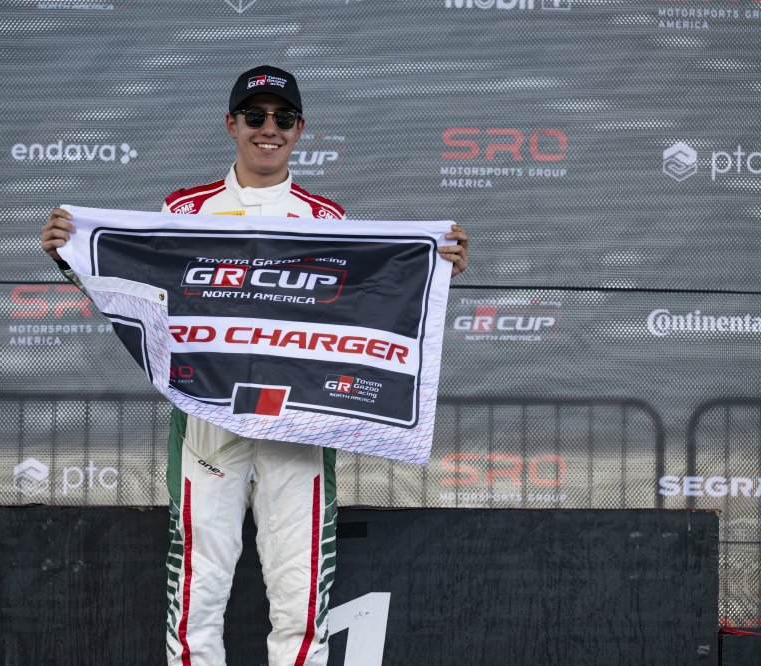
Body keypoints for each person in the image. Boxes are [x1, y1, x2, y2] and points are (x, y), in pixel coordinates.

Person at [40, 65, 469, 666]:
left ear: (300, 129)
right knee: (199, 585)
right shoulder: (184, 209)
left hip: (300, 421)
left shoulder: (327, 218)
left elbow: (364, 302)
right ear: (232, 124)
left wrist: (434, 267)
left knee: (300, 593)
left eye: (283, 118)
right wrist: (72, 255)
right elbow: (139, 288)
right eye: (256, 116)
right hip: (209, 415)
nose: (269, 128)